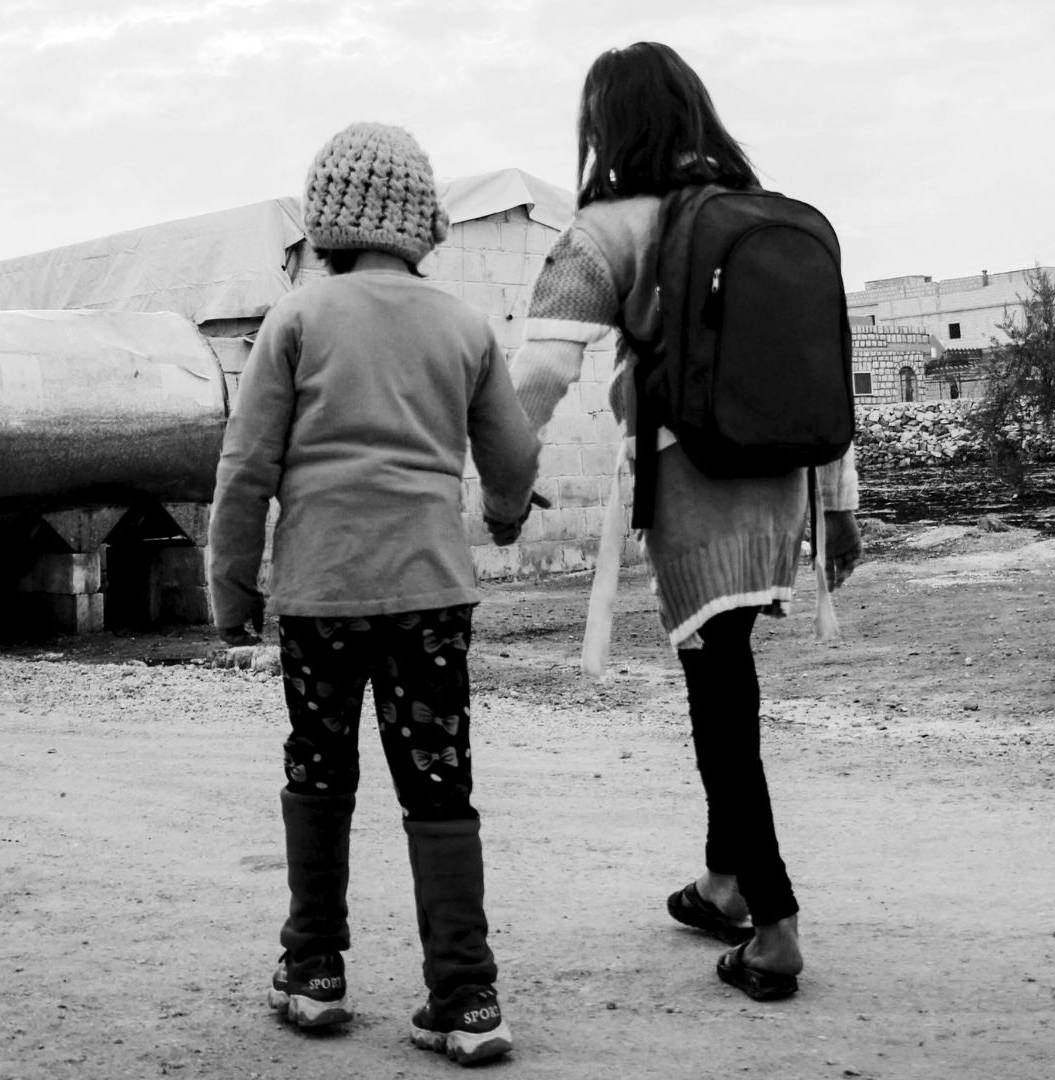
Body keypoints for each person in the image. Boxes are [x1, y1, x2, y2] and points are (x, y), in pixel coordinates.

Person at [510, 42, 862, 1002]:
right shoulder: (769, 215)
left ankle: (775, 925)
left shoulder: (609, 230)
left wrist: (500, 480)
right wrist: (838, 514)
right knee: (727, 677)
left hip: (699, 493)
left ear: (608, 128)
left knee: (722, 702)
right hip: (783, 488)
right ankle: (723, 881)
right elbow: (822, 366)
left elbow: (540, 375)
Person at [208, 122, 540, 1064]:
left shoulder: (298, 319)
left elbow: (245, 473)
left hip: (320, 596)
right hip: (431, 597)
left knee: (320, 771)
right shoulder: (464, 324)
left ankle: (313, 972)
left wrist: (232, 595)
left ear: (327, 220)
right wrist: (509, 518)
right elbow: (510, 458)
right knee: (440, 784)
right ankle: (467, 998)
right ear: (420, 222)